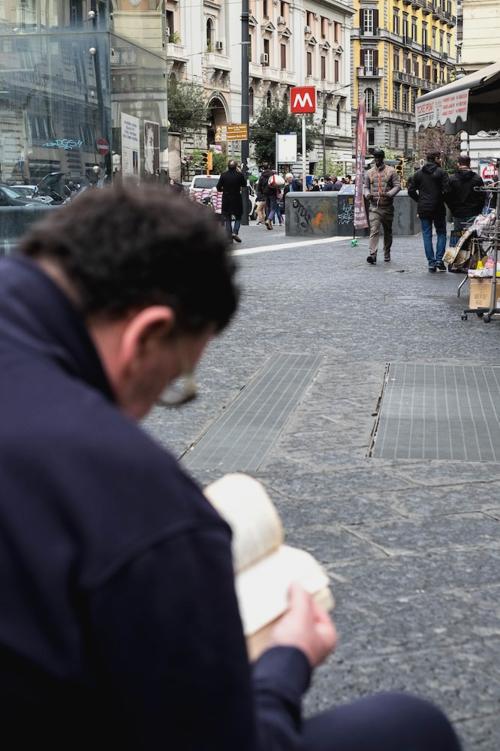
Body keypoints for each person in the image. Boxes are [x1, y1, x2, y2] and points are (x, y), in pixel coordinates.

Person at [0, 183, 461, 751]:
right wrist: (285, 662)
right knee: (411, 726)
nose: (142, 413)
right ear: (147, 334)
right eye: (172, 383)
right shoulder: (130, 498)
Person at [408, 152, 450, 273]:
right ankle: (439, 260)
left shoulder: (418, 174)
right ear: (436, 159)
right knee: (441, 233)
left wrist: (420, 200)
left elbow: (411, 190)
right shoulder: (441, 173)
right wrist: (441, 199)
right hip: (438, 207)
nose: (440, 160)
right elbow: (447, 190)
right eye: (439, 158)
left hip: (424, 208)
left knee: (427, 235)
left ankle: (431, 263)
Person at [364, 148, 401, 264]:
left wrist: (389, 194)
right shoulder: (369, 172)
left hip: (387, 207)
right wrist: (367, 194)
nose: (377, 159)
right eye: (375, 157)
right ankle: (373, 254)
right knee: (374, 230)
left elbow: (397, 186)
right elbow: (365, 187)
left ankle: (387, 252)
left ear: (382, 158)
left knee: (387, 231)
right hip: (374, 207)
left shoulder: (391, 171)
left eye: (379, 157)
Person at [446, 154, 485, 231]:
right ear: (469, 164)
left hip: (457, 213)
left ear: (458, 164)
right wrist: (478, 210)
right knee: (472, 235)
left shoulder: (452, 179)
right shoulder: (477, 178)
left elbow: (447, 196)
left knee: (458, 234)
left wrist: (453, 209)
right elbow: (482, 196)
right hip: (473, 212)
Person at [217, 159, 247, 243]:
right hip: (237, 198)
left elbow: (218, 187)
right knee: (238, 217)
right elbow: (244, 184)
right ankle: (235, 232)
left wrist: (223, 190)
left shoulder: (223, 175)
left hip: (226, 198)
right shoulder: (239, 175)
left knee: (227, 218)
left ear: (228, 166)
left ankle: (229, 237)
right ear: (236, 166)